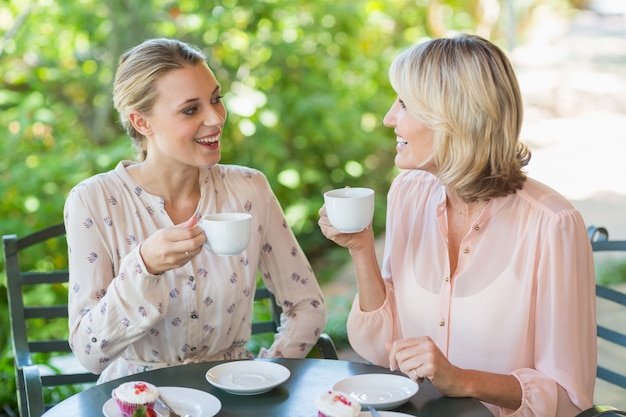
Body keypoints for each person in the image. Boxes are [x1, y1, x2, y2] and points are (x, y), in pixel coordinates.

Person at [318, 34, 596, 416]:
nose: (388, 118)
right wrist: (361, 248)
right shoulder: (408, 192)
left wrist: (462, 379)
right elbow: (381, 348)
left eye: (404, 103)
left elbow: (568, 400)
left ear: (454, 117)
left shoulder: (553, 225)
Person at [64, 38, 326, 382]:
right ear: (142, 122)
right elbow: (89, 351)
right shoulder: (92, 200)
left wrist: (266, 373)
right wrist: (143, 267)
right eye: (191, 110)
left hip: (232, 393)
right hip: (137, 399)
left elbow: (307, 306)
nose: (215, 118)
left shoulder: (249, 189)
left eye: (216, 99)